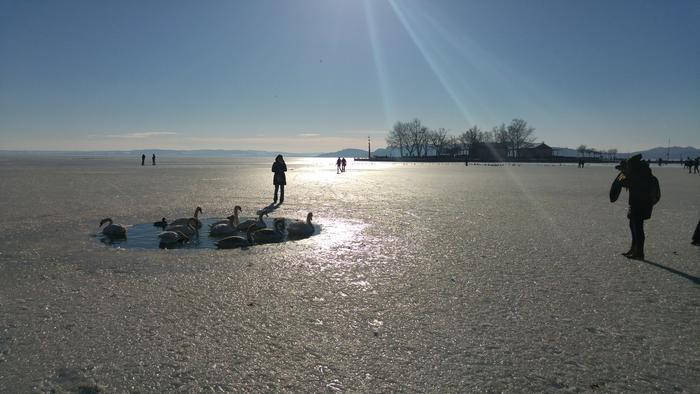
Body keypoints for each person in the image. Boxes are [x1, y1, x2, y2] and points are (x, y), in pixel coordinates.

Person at [610, 155, 660, 260]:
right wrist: (623, 172)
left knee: (637, 228)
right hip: (640, 204)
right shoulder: (644, 174)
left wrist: (622, 173)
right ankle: (634, 249)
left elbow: (623, 182)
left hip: (639, 205)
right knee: (634, 226)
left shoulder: (638, 175)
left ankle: (639, 252)